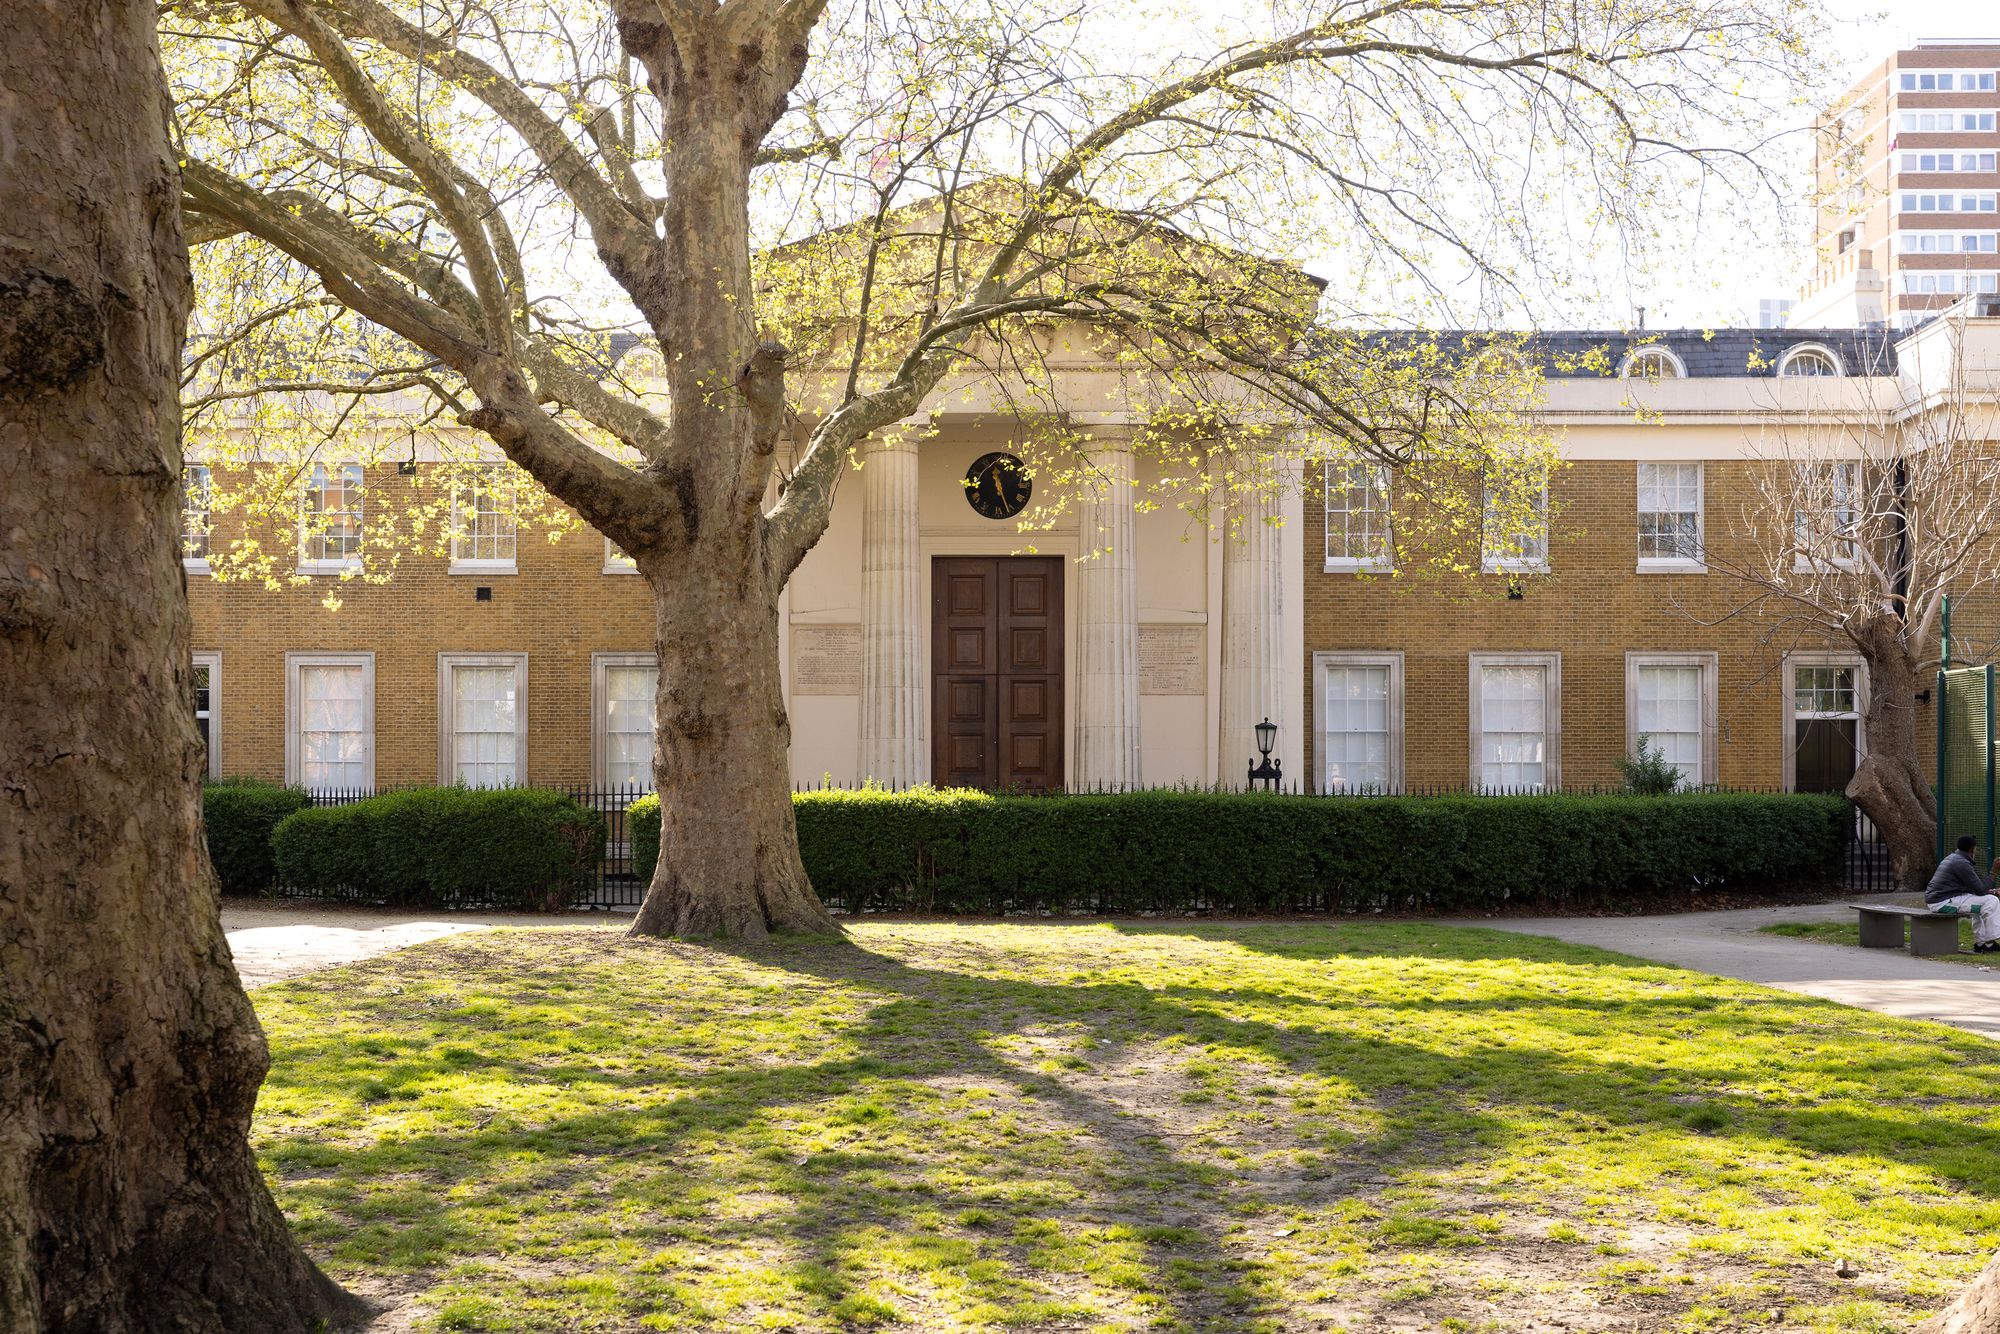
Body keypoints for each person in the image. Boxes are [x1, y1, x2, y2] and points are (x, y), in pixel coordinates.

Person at [1924, 834, 2000, 953]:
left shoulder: (1953, 858)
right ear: (1972, 849)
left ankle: (1981, 943)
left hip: (1943, 899)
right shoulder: (1961, 863)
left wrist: (1992, 891)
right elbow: (1980, 890)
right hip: (1942, 903)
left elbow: (1974, 889)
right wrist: (1994, 872)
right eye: (1976, 848)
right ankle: (1989, 944)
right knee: (1991, 901)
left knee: (1983, 902)